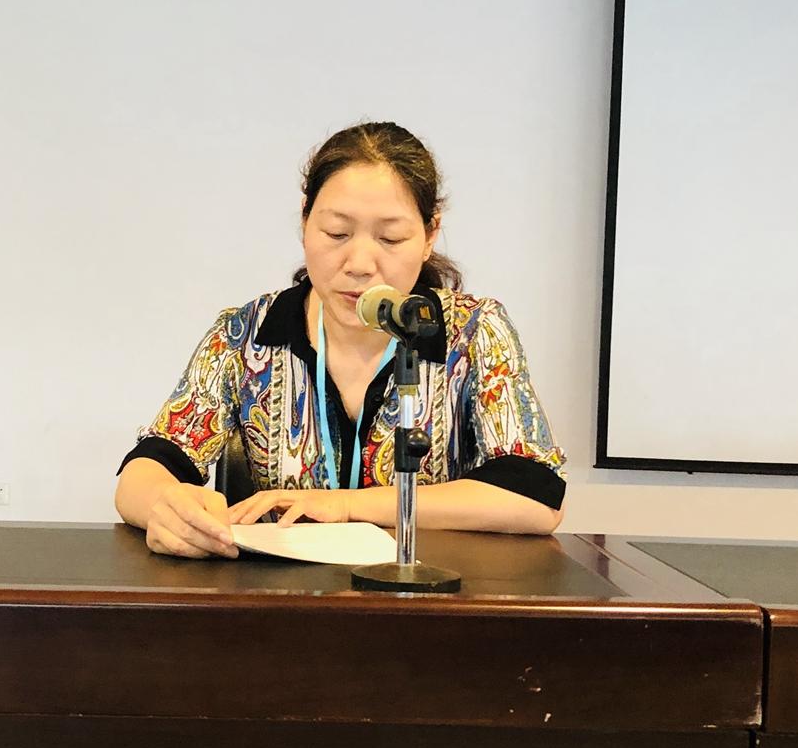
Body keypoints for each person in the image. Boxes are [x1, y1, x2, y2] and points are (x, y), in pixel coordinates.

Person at [115, 121, 567, 559]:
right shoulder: (247, 334)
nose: (359, 264)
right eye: (337, 233)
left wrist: (346, 506)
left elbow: (535, 495)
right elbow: (149, 467)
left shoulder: (473, 332)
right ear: (305, 220)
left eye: (390, 238)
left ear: (430, 235)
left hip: (428, 595)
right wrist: (166, 509)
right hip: (281, 598)